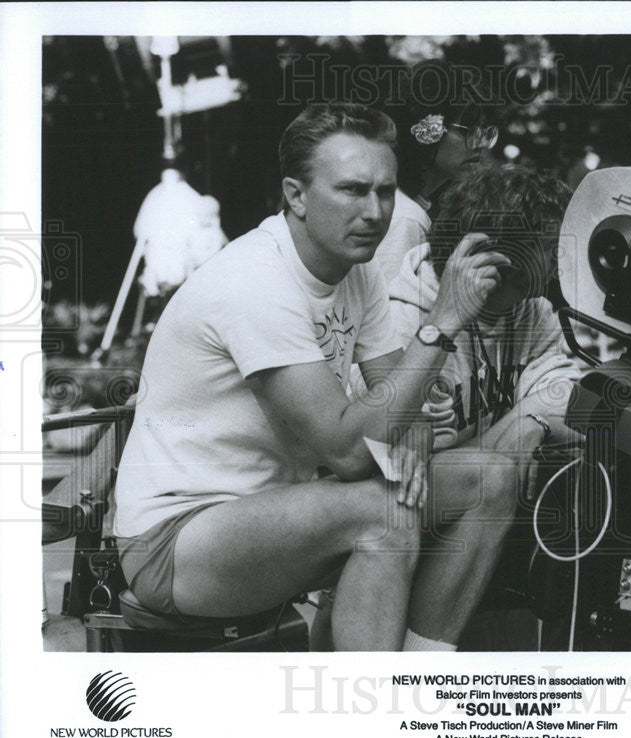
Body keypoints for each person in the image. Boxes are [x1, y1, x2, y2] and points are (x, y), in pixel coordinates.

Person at [112, 102, 520, 652]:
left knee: (491, 477)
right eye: (352, 190)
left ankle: (423, 673)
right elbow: (353, 450)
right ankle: (369, 719)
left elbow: (405, 415)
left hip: (284, 514)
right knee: (385, 511)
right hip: (177, 540)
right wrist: (442, 322)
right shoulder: (255, 282)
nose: (375, 211)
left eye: (385, 190)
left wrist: (411, 434)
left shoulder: (359, 274)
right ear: (296, 195)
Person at [386, 164, 580, 492]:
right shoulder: (405, 325)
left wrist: (533, 423)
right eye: (549, 249)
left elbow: (569, 401)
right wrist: (519, 427)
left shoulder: (534, 312)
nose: (558, 265)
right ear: (494, 253)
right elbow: (412, 473)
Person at [368, 62, 499, 284]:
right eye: (468, 129)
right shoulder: (405, 217)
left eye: (486, 131)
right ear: (428, 129)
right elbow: (389, 312)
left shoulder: (407, 204)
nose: (481, 143)